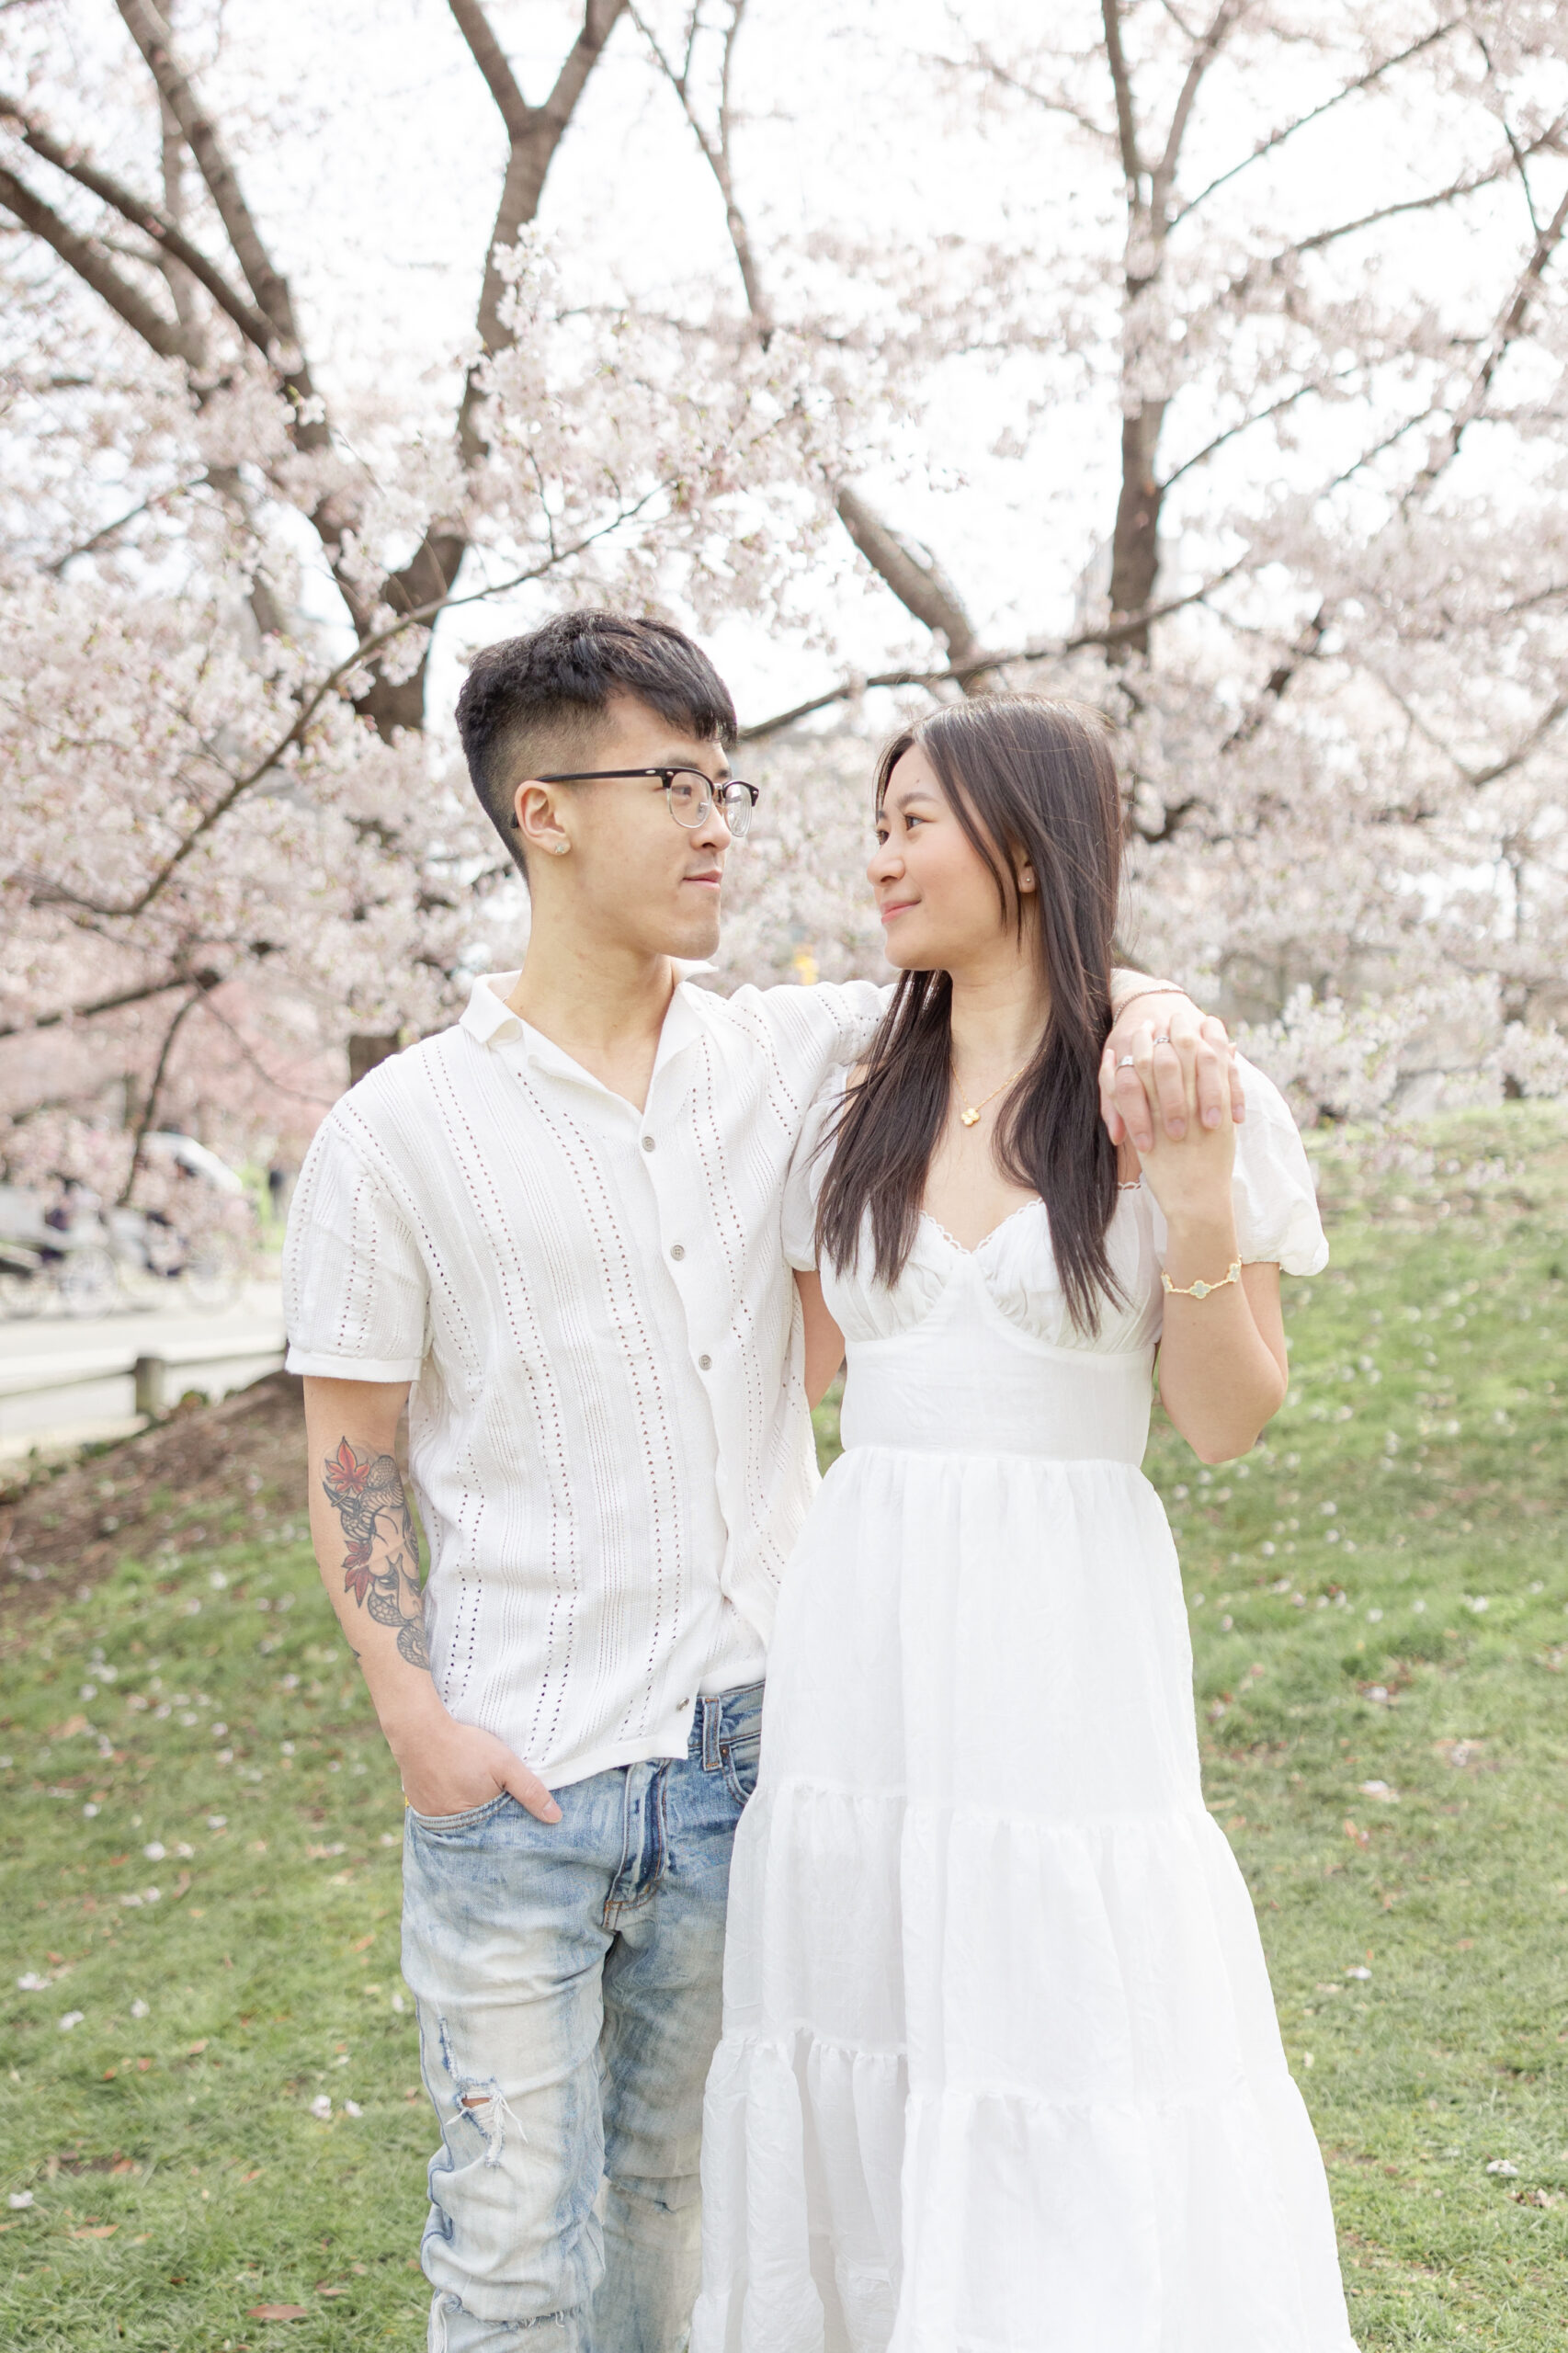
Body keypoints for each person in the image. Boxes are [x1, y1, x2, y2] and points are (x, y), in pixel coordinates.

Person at [281, 611, 1237, 2353]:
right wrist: (410, 1714)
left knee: (682, 2237)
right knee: (505, 2256)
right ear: (545, 814)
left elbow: (1040, 973)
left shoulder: (802, 1059)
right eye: (674, 782)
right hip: (520, 1771)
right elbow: (348, 1451)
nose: (722, 818)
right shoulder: (396, 1133)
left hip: (752, 1756)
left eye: (725, 779)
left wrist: (1162, 1005)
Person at [695, 696, 1354, 2352]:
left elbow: (1223, 1418)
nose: (880, 856)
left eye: (914, 821)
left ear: (1029, 848)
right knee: (868, 1994)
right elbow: (804, 1360)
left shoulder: (1180, 1089)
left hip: (1062, 1617)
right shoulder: (849, 1091)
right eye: (879, 820)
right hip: (867, 1614)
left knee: (1061, 2006)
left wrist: (1193, 1194)